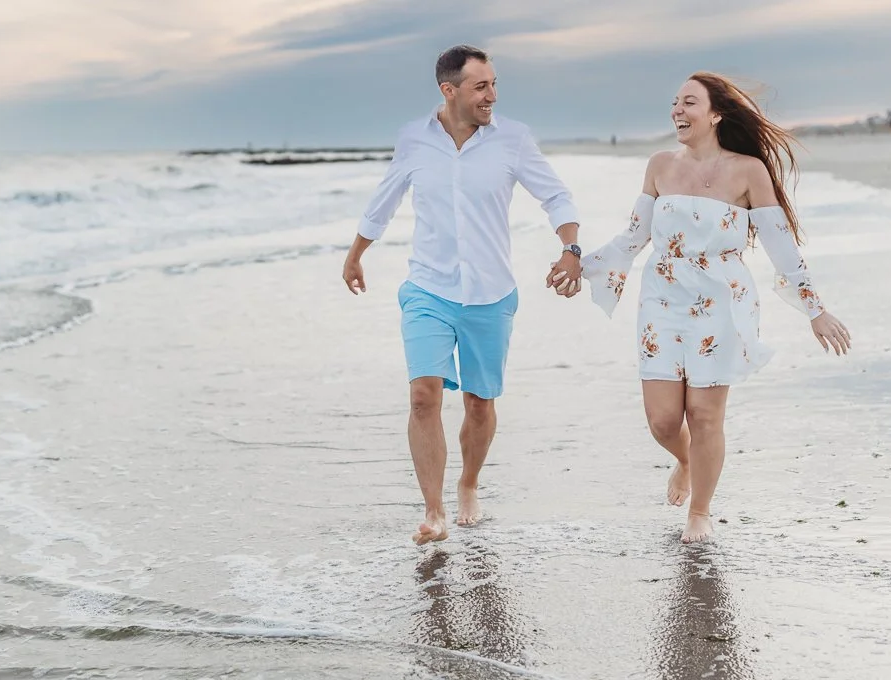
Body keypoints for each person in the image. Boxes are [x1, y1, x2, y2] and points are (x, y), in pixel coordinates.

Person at [567, 73, 852, 544]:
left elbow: (781, 246)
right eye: (674, 103)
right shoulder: (659, 165)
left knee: (703, 414)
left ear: (716, 114)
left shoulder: (748, 171)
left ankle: (699, 511)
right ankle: (685, 460)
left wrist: (815, 310)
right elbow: (633, 238)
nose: (677, 111)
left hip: (721, 300)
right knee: (663, 421)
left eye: (689, 103)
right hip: (662, 299)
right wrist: (580, 265)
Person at [343, 45, 582, 545]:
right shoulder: (413, 139)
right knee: (423, 397)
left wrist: (570, 249)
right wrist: (356, 253)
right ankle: (434, 512)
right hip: (428, 288)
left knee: (478, 404)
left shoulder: (513, 139)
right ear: (448, 90)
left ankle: (468, 483)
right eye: (481, 86)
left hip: (490, 293)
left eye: (494, 84)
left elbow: (555, 196)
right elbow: (385, 199)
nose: (492, 95)